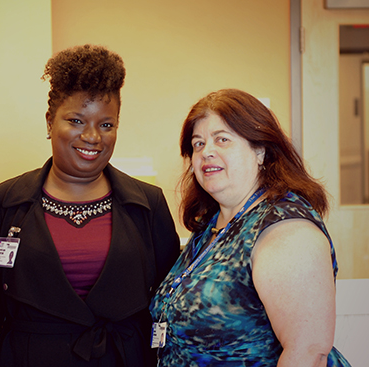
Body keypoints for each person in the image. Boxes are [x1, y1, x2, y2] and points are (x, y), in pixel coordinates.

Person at [0, 44, 180, 367]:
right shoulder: (5, 204)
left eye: (106, 124)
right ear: (50, 122)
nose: (93, 137)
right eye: (76, 120)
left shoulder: (148, 205)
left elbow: (169, 310)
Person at [150, 88, 351, 366]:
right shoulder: (212, 226)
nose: (207, 151)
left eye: (222, 139)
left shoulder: (286, 229)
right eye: (198, 144)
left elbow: (308, 352)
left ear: (260, 150)